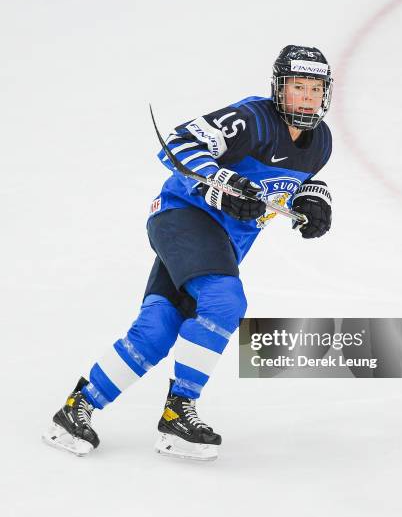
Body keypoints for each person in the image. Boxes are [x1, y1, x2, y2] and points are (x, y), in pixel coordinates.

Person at [42, 45, 334, 461]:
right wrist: (219, 181)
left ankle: (75, 411)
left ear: (326, 94)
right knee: (223, 300)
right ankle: (179, 412)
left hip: (219, 243)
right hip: (184, 219)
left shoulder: (320, 143)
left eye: (314, 88)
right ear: (277, 89)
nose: (305, 97)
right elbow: (177, 144)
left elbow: (287, 186)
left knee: (158, 327)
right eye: (296, 87)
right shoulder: (252, 120)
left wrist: (313, 200)